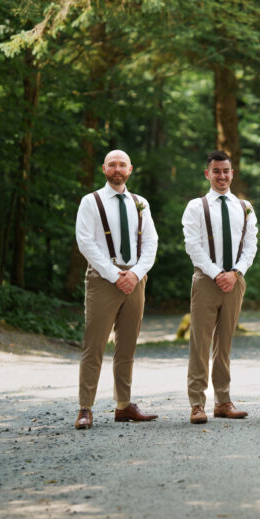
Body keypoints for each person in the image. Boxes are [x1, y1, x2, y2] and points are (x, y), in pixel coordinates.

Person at [73, 149, 159, 430]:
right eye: (113, 165)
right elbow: (86, 242)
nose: (118, 169)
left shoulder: (140, 203)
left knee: (127, 346)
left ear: (130, 169)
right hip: (102, 279)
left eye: (122, 165)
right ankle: (85, 408)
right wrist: (114, 274)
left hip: (135, 280)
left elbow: (150, 244)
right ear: (104, 169)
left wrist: (134, 274)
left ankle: (123, 406)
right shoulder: (91, 201)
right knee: (94, 345)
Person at [182, 150, 258, 424]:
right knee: (200, 343)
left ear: (232, 174)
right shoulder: (196, 206)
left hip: (235, 281)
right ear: (208, 174)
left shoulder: (244, 207)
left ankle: (223, 401)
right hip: (206, 280)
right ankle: (197, 404)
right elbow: (193, 246)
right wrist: (218, 274)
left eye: (226, 171)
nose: (222, 176)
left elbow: (251, 245)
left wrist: (235, 273)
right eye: (216, 171)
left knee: (224, 344)